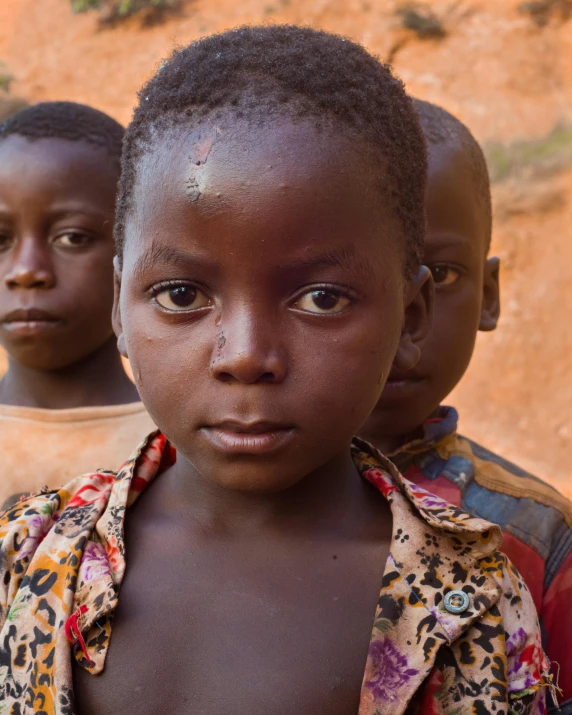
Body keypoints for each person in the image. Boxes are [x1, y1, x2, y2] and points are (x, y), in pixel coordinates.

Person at [0, 28, 552, 715]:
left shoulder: (471, 603)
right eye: (181, 295)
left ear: (411, 318)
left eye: (321, 298)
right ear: (120, 304)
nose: (244, 356)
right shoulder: (34, 558)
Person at [360, 98, 571, 713]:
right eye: (338, 286)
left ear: (489, 294)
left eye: (440, 275)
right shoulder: (164, 513)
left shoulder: (532, 536)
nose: (404, 318)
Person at [0, 102, 155, 505]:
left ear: (133, 250)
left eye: (72, 238)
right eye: (1, 242)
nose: (26, 271)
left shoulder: (182, 449)